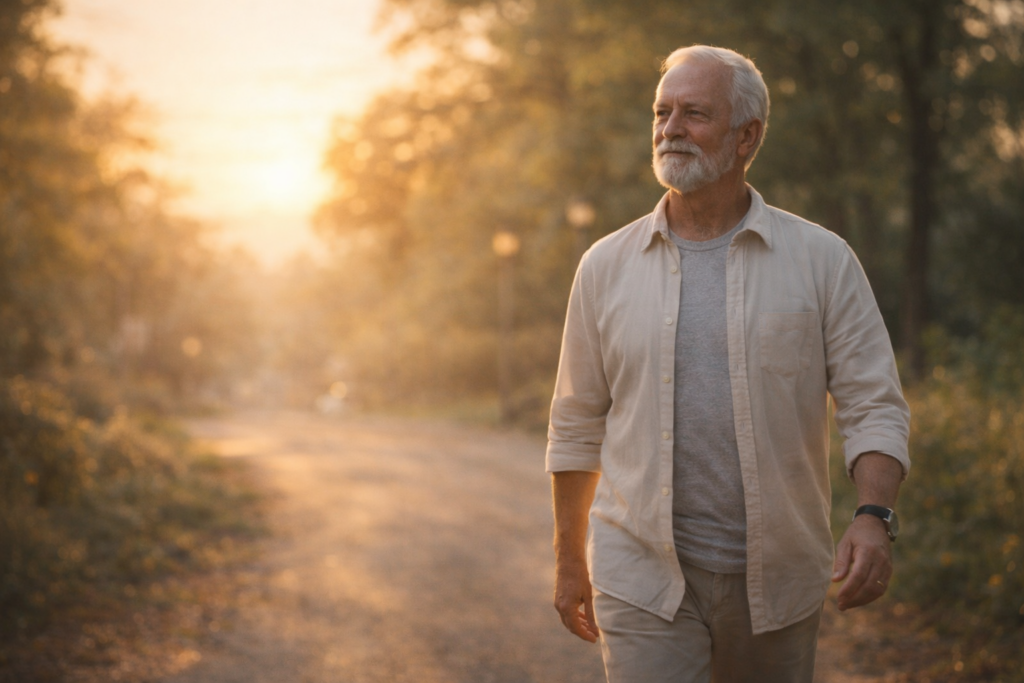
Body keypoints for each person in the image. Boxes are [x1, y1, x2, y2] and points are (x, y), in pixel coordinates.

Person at [546, 45, 911, 683]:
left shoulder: (822, 260)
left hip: (779, 580)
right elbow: (576, 422)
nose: (670, 129)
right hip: (641, 578)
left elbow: (873, 402)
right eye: (661, 112)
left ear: (747, 136)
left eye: (694, 113)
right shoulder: (604, 266)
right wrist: (569, 559)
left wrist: (873, 516)